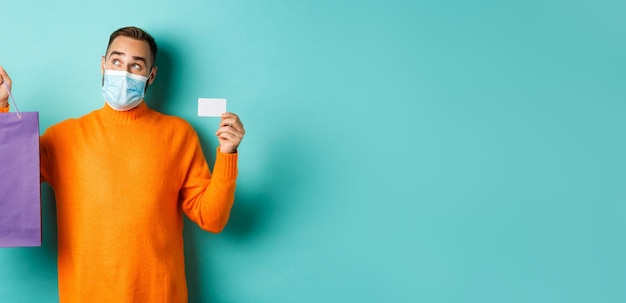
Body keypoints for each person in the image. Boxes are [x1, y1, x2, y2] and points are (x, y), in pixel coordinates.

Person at [0, 26, 245, 302]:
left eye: (136, 66)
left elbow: (212, 219)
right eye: (116, 61)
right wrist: (1, 107)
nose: (123, 72)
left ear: (151, 76)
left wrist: (227, 153)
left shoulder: (179, 135)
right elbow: (9, 187)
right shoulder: (62, 138)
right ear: (102, 64)